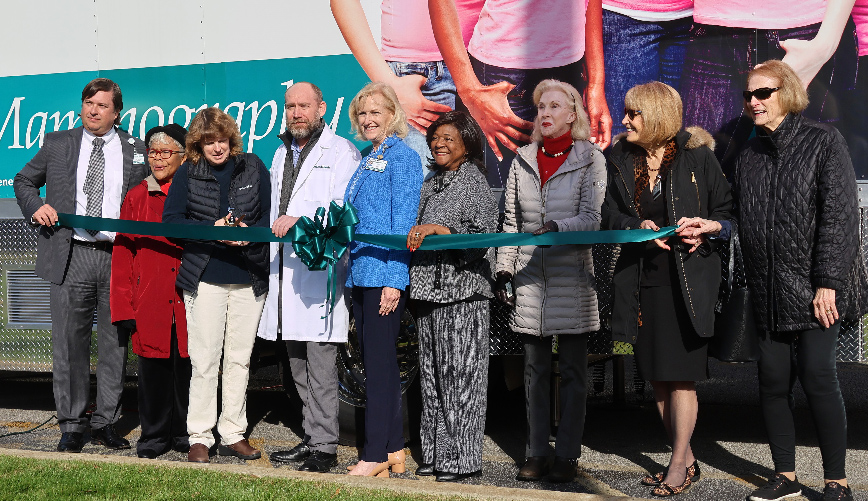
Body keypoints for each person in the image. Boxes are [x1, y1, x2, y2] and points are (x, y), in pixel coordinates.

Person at [681, 60, 859, 501]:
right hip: (769, 288)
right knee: (773, 383)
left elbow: (840, 218)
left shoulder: (823, 141)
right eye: (748, 94)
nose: (754, 101)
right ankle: (786, 477)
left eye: (764, 93)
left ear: (789, 93)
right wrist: (715, 227)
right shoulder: (750, 156)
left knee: (818, 377)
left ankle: (837, 482)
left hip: (816, 288)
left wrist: (828, 282)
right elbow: (741, 218)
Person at [602, 81, 733, 497]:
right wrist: (634, 227)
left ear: (657, 115)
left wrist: (706, 229)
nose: (624, 120)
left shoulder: (698, 156)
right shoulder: (619, 157)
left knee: (682, 380)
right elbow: (608, 214)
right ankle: (687, 458)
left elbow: (727, 213)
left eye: (633, 113)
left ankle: (677, 463)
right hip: (642, 282)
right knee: (658, 376)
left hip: (689, 283)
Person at [13, 78, 149, 453]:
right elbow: (24, 181)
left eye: (102, 105)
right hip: (70, 254)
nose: (93, 110)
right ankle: (72, 425)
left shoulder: (135, 149)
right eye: (89, 103)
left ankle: (107, 422)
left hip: (117, 258)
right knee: (69, 345)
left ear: (116, 112)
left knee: (114, 345)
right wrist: (34, 206)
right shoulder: (59, 143)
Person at [493, 79, 606, 484]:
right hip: (528, 281)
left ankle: (568, 455)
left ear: (573, 115)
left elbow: (592, 220)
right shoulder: (522, 159)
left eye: (556, 106)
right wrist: (504, 269)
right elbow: (510, 224)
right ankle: (537, 452)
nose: (545, 113)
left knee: (574, 375)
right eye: (541, 106)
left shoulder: (590, 158)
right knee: (534, 373)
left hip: (571, 281)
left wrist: (556, 226)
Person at [258, 82, 361, 473]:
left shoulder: (341, 152)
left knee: (320, 366)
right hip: (284, 271)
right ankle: (311, 436)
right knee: (296, 365)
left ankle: (325, 446)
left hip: (319, 272)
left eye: (303, 105)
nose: (296, 112)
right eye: (290, 106)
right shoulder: (282, 151)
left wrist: (301, 221)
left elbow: (341, 210)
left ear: (321, 108)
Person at [162, 107, 271, 464]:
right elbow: (173, 223)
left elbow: (268, 221)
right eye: (208, 141)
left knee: (239, 360)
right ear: (198, 144)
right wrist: (215, 228)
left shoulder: (253, 166)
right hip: (204, 277)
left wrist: (245, 237)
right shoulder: (189, 172)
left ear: (231, 139)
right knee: (205, 360)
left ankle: (233, 433)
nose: (217, 147)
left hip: (248, 277)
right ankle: (200, 436)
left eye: (221, 140)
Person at [430, 0, 612, 188]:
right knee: (502, 204)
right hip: (505, 73)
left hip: (571, 67)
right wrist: (469, 90)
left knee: (562, 202)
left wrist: (596, 83)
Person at [406, 111, 498, 482]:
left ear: (468, 142)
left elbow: (484, 235)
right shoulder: (432, 183)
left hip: (463, 295)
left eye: (448, 137)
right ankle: (434, 453)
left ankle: (462, 459)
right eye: (434, 138)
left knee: (462, 381)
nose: (438, 143)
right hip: (429, 293)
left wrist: (444, 229)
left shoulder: (474, 181)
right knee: (431, 380)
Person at [344, 82, 423, 477]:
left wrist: (395, 279)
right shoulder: (366, 156)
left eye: (376, 112)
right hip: (361, 273)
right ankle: (393, 448)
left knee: (378, 367)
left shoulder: (403, 159)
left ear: (393, 114)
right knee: (380, 365)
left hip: (383, 276)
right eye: (362, 113)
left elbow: (404, 224)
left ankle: (373, 453)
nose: (368, 119)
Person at [111, 124, 191, 459]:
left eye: (165, 151)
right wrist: (124, 307)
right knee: (153, 373)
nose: (157, 158)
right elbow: (123, 253)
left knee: (189, 371)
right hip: (150, 302)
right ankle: (155, 436)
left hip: (189, 301)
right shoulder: (137, 196)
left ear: (184, 156)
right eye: (153, 151)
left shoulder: (195, 192)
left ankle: (189, 434)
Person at [330, 0, 484, 168]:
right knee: (418, 187)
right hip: (421, 75)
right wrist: (389, 84)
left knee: (494, 187)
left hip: (492, 64)